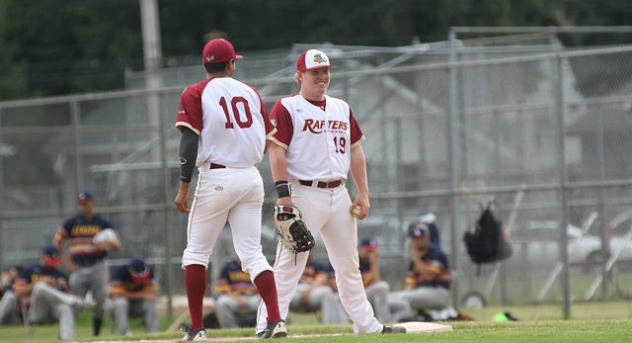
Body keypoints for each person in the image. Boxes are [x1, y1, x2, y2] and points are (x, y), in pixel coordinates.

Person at [255, 48, 405, 335]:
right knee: (290, 263)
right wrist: (284, 197)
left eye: (325, 71)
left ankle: (367, 325)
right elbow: (276, 153)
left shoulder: (341, 107)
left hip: (339, 193)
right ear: (299, 75)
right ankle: (269, 323)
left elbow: (356, 151)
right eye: (315, 72)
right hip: (303, 192)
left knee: (348, 264)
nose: (322, 76)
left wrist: (363, 193)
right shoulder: (288, 107)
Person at [174, 38, 284, 341]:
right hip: (250, 177)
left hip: (216, 176)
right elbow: (266, 140)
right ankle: (275, 320)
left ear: (205, 65)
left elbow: (188, 140)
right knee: (252, 253)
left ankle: (196, 329)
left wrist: (183, 187)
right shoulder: (251, 92)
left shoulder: (196, 91)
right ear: (231, 64)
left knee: (196, 253)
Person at [53, 191, 120, 337]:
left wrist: (107, 242)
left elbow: (117, 245)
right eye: (81, 204)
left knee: (100, 300)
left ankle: (95, 335)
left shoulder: (102, 223)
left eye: (86, 203)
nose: (83, 207)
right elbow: (58, 241)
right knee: (74, 301)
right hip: (79, 267)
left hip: (98, 265)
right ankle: (65, 334)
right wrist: (66, 262)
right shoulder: (72, 223)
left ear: (93, 203)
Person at [12, 245, 92, 340]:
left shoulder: (59, 274)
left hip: (54, 310)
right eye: (52, 259)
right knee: (40, 287)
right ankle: (76, 301)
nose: (54, 263)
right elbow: (17, 292)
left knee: (65, 308)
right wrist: (38, 283)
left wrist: (64, 287)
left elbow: (69, 292)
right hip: (36, 310)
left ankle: (68, 340)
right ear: (44, 257)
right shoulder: (29, 271)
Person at [392, 224, 451, 312]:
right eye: (415, 238)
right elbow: (410, 285)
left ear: (427, 237)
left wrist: (416, 258)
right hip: (420, 292)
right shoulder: (414, 261)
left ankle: (402, 320)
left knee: (402, 298)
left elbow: (429, 277)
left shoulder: (437, 255)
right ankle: (390, 320)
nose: (418, 241)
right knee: (390, 297)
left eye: (421, 237)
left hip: (438, 292)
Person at [358, 237, 410, 323]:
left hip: (370, 297)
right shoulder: (354, 260)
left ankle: (390, 323)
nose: (371, 254)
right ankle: (384, 321)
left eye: (373, 251)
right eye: (368, 251)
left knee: (403, 306)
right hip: (358, 297)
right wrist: (373, 263)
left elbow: (375, 282)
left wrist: (374, 262)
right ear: (360, 249)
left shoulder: (371, 262)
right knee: (382, 286)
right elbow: (366, 285)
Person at [289, 254, 346, 324]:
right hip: (293, 291)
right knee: (280, 293)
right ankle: (279, 326)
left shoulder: (316, 266)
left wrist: (309, 290)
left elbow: (323, 278)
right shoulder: (288, 265)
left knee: (327, 292)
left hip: (312, 292)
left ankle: (333, 326)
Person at [110, 257, 159, 336]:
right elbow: (117, 295)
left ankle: (153, 333)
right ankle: (124, 334)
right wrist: (141, 294)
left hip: (138, 305)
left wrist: (143, 295)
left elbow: (150, 295)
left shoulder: (150, 271)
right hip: (119, 307)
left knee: (150, 303)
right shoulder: (120, 272)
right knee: (120, 303)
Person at [214, 258, 260, 328]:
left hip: (254, 297)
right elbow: (222, 287)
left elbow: (265, 287)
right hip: (234, 298)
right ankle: (232, 329)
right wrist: (237, 299)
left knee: (267, 301)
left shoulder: (257, 265)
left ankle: (261, 329)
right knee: (221, 302)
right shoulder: (228, 266)